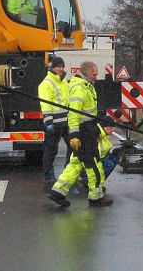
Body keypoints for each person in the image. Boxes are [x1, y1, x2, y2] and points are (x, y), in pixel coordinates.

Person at [47, 61, 112, 207]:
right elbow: (74, 114)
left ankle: (58, 191)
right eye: (93, 75)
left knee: (76, 163)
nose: (96, 77)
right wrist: (74, 135)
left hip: (87, 130)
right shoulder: (79, 89)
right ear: (85, 73)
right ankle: (96, 197)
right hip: (84, 133)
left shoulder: (86, 86)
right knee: (93, 164)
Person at [38, 56, 70, 191]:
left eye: (62, 66)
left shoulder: (63, 82)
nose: (61, 69)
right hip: (54, 123)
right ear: (53, 67)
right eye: (59, 66)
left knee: (74, 147)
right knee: (51, 150)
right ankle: (49, 176)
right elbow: (45, 104)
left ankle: (68, 173)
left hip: (66, 121)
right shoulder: (46, 83)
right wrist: (48, 121)